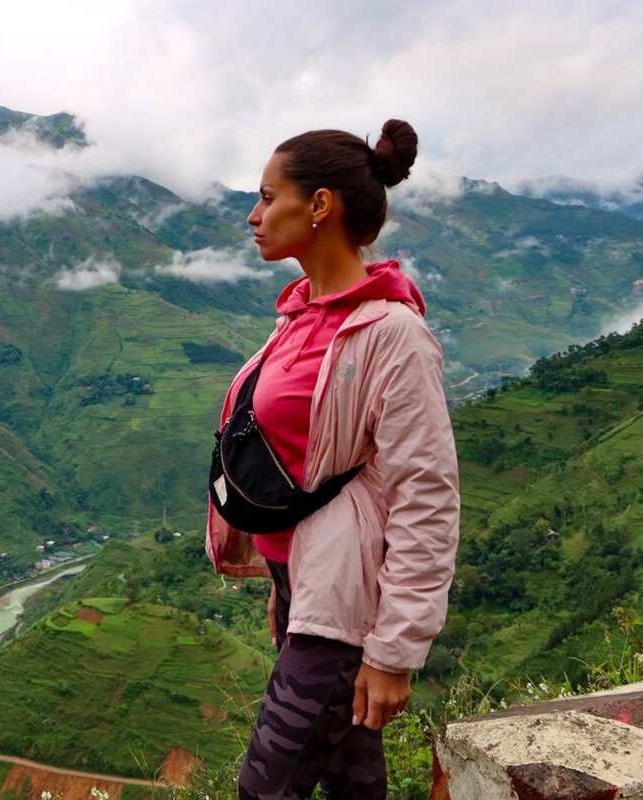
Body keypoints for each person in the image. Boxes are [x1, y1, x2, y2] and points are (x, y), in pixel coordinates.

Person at [204, 120, 460, 799]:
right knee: (355, 786)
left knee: (266, 789)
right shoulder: (302, 318)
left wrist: (395, 651)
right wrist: (284, 583)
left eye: (267, 197)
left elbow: (425, 498)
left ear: (319, 206)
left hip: (343, 622)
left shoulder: (393, 336)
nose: (253, 217)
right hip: (307, 596)